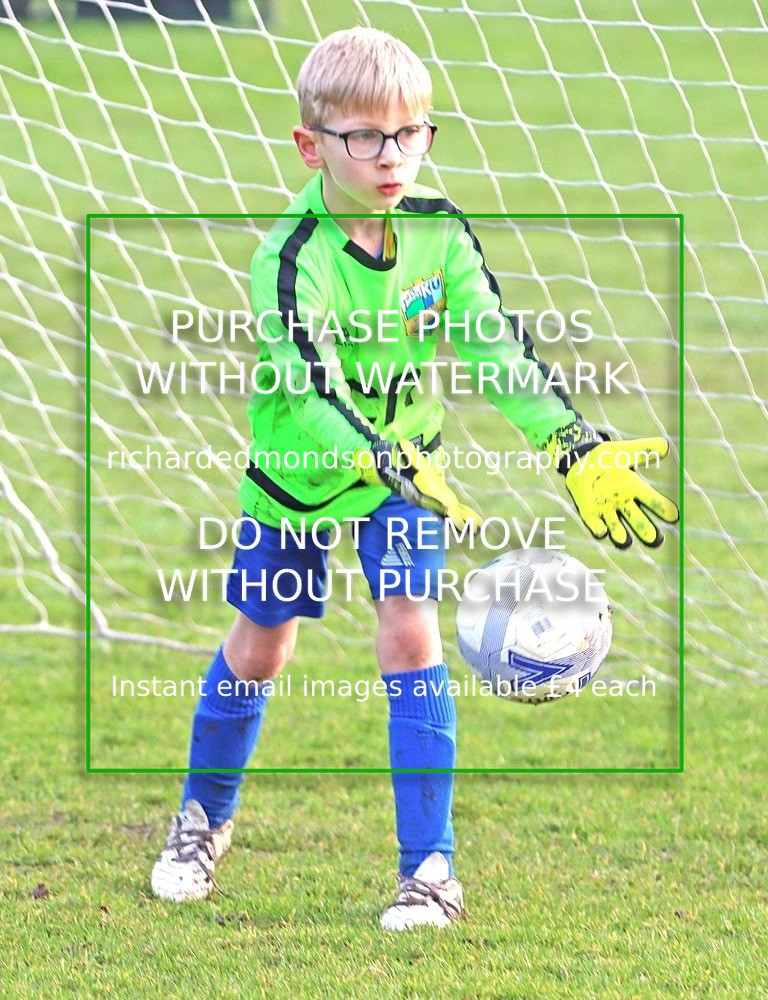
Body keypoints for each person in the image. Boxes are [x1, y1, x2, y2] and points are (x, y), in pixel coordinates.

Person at [150, 26, 678, 929]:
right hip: (301, 479)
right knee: (263, 645)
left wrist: (570, 444)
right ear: (311, 145)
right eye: (366, 137)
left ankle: (429, 871)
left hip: (409, 479)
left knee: (409, 636)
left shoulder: (436, 228)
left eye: (411, 133)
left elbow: (491, 341)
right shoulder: (292, 258)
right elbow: (308, 385)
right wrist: (382, 454)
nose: (393, 157)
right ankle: (202, 817)